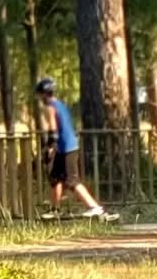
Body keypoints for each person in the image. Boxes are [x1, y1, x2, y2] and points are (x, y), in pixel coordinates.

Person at [35, 77, 111, 219]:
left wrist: (48, 148)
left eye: (40, 95)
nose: (39, 98)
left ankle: (95, 207)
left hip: (66, 148)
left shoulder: (49, 107)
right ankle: (55, 209)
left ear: (44, 94)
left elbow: (53, 130)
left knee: (72, 181)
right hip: (66, 147)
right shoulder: (61, 104)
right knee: (55, 178)